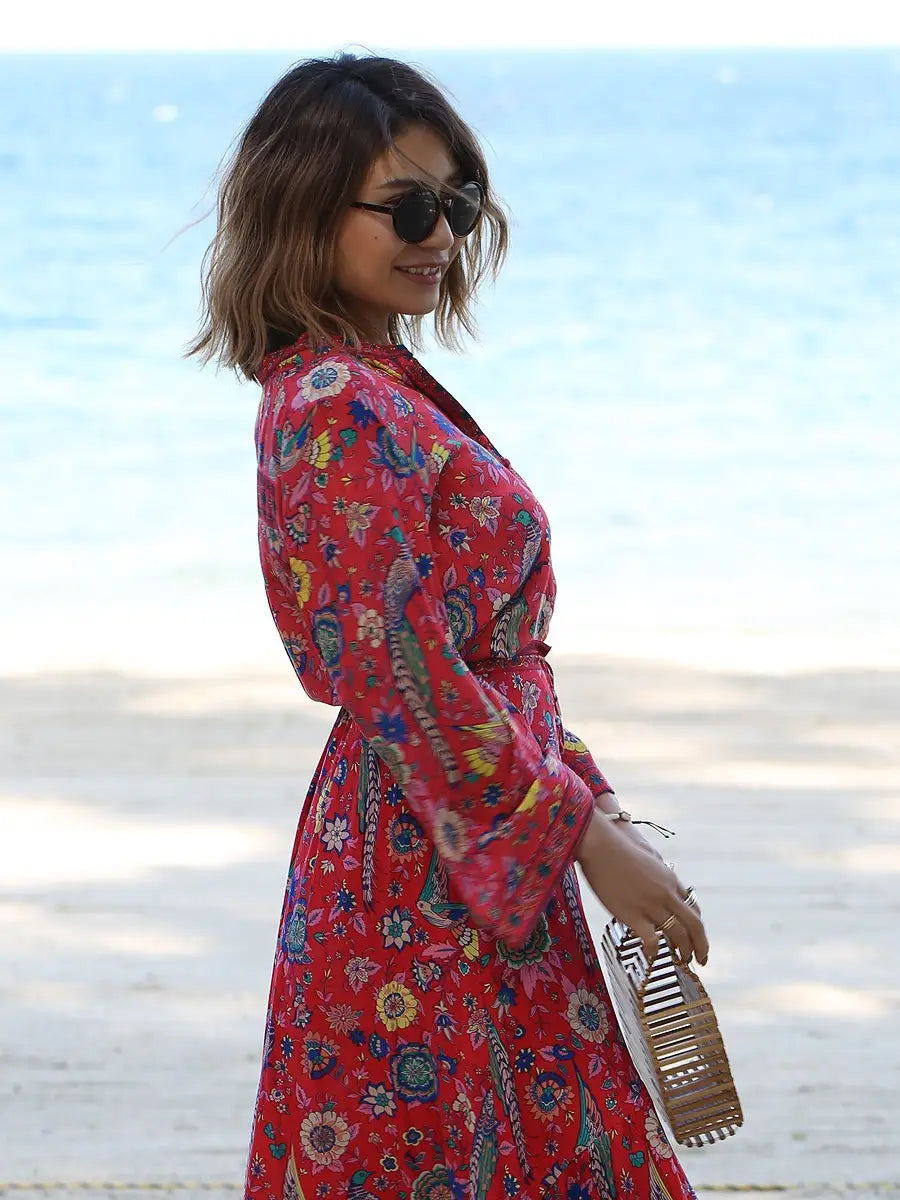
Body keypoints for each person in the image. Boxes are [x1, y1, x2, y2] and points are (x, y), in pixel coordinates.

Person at [189, 52, 709, 1200]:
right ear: (306, 208)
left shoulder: (378, 383)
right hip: (417, 860)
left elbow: (488, 661)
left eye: (459, 206)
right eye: (410, 208)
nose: (443, 237)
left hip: (475, 834)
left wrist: (589, 802)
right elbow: (399, 670)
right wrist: (582, 837)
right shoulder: (335, 405)